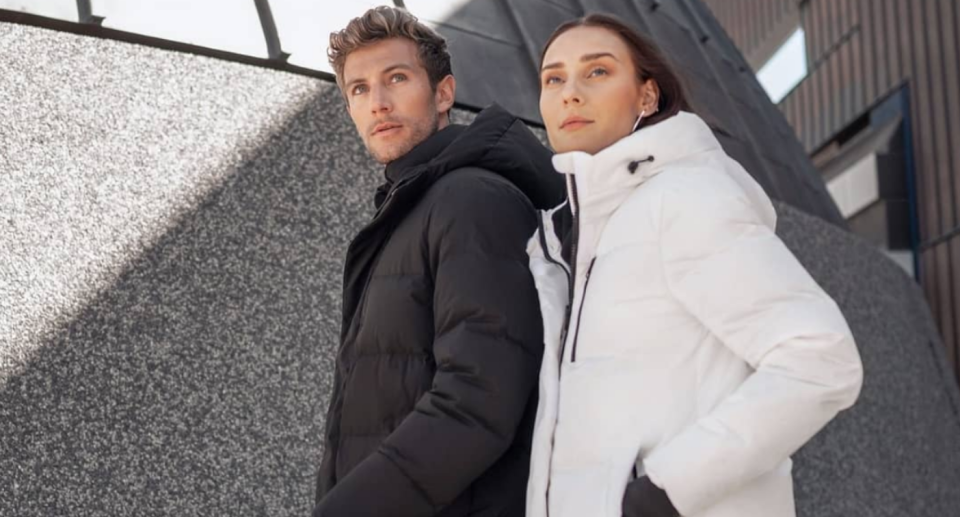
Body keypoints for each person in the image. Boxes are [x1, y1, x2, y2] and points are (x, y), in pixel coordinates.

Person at [524, 14, 864, 517]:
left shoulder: (686, 199)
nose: (570, 93)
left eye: (597, 72)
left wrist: (663, 492)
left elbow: (820, 358)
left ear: (647, 96)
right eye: (554, 78)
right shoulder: (565, 239)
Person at [313, 6, 565, 517]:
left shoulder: (471, 199)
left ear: (444, 93)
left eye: (396, 78)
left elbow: (478, 398)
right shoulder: (409, 210)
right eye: (358, 89)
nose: (378, 103)